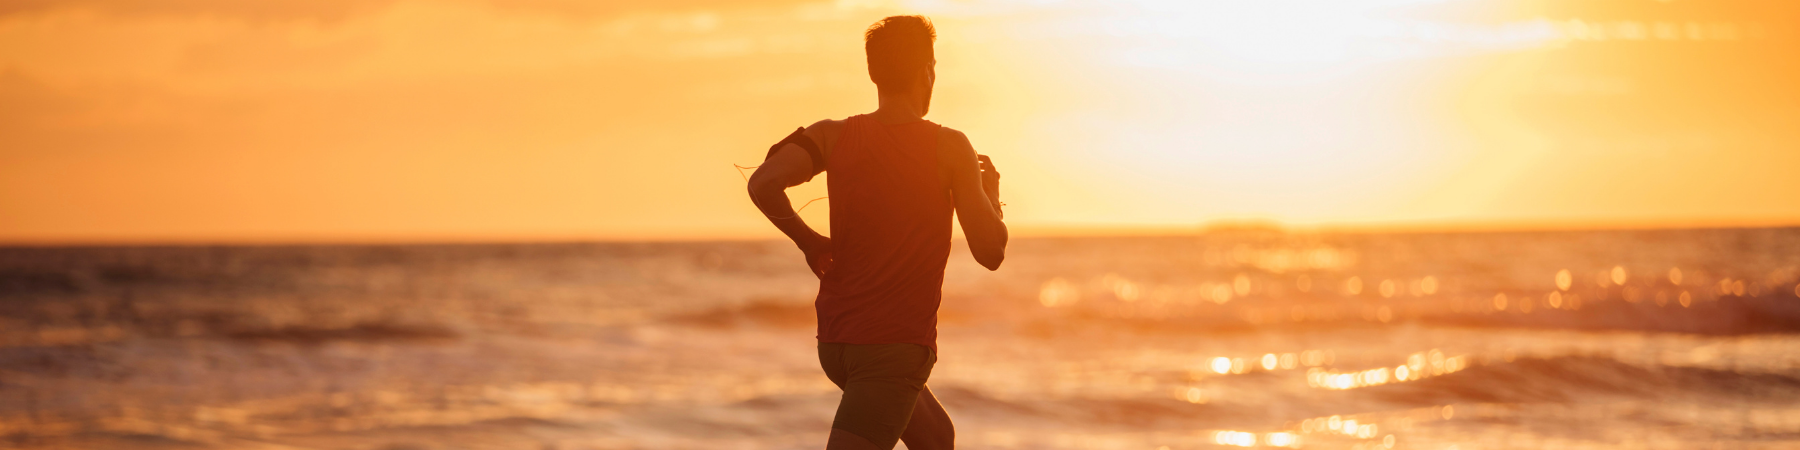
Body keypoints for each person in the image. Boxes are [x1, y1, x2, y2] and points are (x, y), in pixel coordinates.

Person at [745, 15, 1008, 450]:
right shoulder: (949, 146)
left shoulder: (831, 135)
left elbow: (762, 183)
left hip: (836, 343)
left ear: (873, 72)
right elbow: (990, 251)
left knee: (937, 438)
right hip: (892, 348)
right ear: (928, 70)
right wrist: (989, 194)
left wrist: (810, 243)